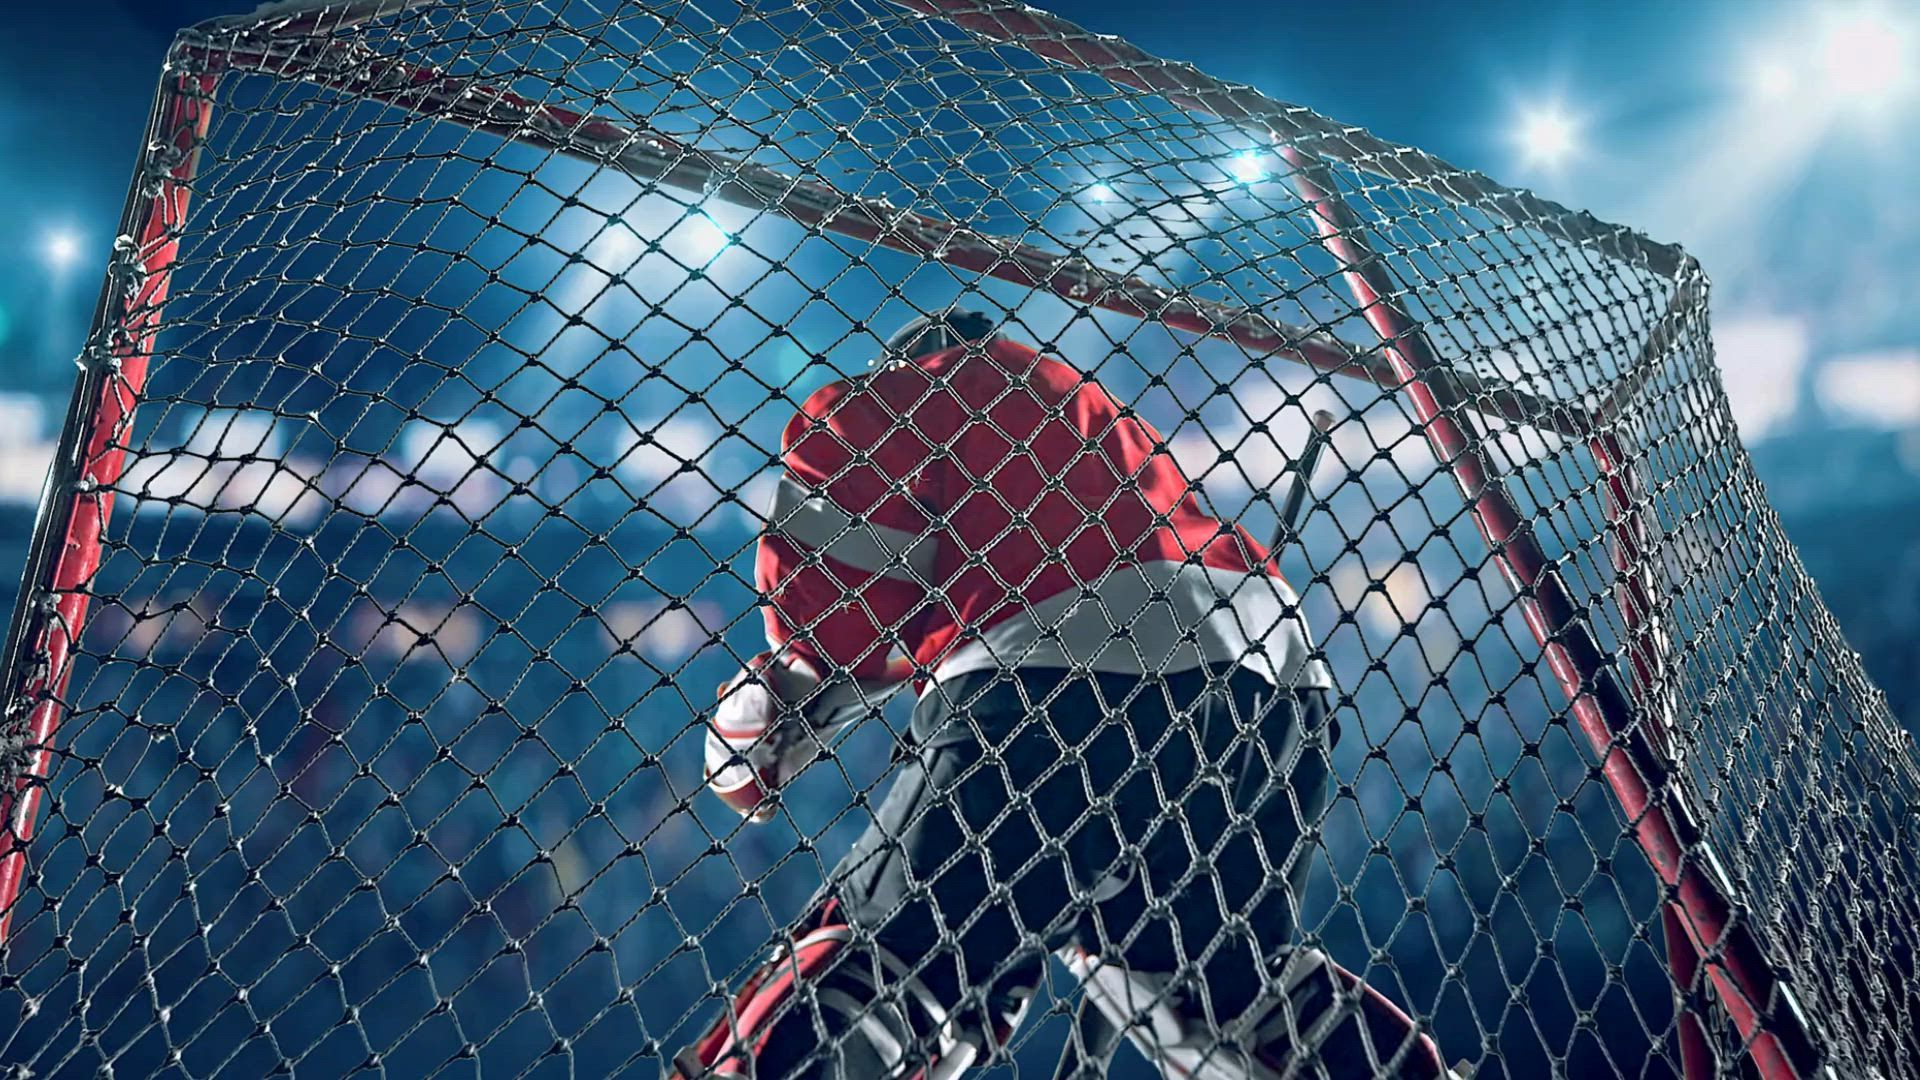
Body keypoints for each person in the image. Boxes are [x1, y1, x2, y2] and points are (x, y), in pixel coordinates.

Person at [676, 311, 1446, 1079]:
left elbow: (830, 630)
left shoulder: (910, 394)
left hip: (1069, 672)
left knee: (889, 962)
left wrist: (758, 738)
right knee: (1224, 993)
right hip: (1274, 688)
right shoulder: (1099, 416)